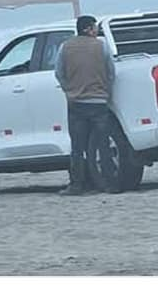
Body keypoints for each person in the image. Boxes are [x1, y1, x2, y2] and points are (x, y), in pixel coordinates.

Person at [54, 14, 115, 195]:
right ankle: (109, 184)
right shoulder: (101, 46)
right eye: (95, 27)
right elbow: (111, 72)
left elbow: (58, 73)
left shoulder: (65, 47)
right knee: (103, 145)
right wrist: (106, 92)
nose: (97, 30)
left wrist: (69, 90)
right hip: (98, 102)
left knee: (77, 147)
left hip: (76, 103)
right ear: (88, 29)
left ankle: (77, 185)